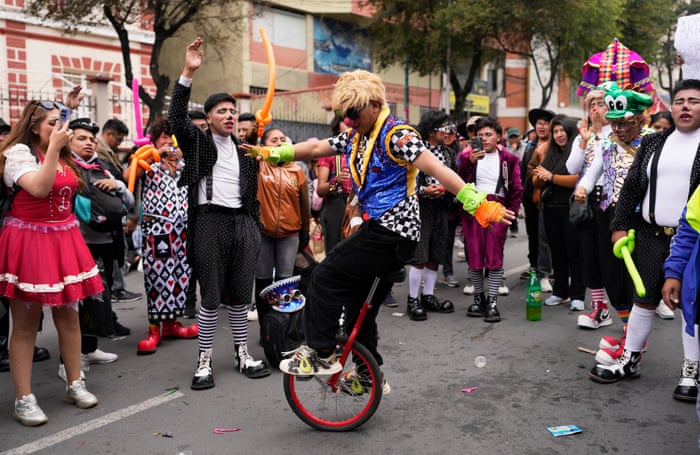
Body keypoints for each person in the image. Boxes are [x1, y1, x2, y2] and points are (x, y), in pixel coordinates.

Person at [246, 67, 514, 376]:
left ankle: (322, 353)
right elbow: (318, 147)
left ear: (375, 104)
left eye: (354, 113)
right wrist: (273, 153)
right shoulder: (358, 135)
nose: (350, 120)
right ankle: (366, 375)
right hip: (383, 231)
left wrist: (476, 202)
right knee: (359, 307)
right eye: (345, 114)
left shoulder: (397, 135)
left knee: (323, 276)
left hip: (392, 232)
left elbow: (437, 168)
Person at [169, 38, 270, 390]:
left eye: (232, 111)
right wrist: (188, 71)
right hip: (209, 222)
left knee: (241, 294)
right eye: (222, 111)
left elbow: (252, 196)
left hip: (242, 223)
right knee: (211, 296)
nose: (229, 116)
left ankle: (242, 353)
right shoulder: (198, 143)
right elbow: (176, 117)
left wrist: (254, 227)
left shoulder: (246, 152)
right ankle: (205, 360)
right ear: (209, 118)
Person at [589, 80, 700, 393]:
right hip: (651, 233)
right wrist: (619, 226)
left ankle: (692, 370)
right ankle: (630, 358)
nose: (686, 106)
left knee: (692, 303)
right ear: (671, 107)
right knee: (644, 298)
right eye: (680, 100)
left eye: (694, 101)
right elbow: (632, 188)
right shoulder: (654, 142)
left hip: (692, 239)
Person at [0, 93, 102, 426]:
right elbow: (39, 189)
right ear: (34, 127)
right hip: (29, 241)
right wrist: (56, 148)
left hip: (64, 238)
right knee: (26, 325)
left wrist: (66, 111)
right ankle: (23, 399)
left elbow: (57, 134)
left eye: (61, 123)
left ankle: (74, 383)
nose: (60, 129)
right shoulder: (18, 154)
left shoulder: (58, 151)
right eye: (52, 123)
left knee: (69, 318)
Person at [575, 83, 652, 347]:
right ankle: (629, 331)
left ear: (638, 120)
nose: (618, 128)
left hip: (642, 219)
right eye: (615, 123)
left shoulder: (652, 141)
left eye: (624, 123)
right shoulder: (608, 143)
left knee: (638, 276)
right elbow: (594, 169)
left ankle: (636, 336)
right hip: (611, 215)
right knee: (612, 273)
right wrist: (583, 188)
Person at [122, 117, 198, 355]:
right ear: (154, 140)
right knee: (158, 276)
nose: (169, 142)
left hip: (183, 228)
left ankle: (172, 324)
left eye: (172, 137)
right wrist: (154, 155)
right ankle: (154, 329)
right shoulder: (147, 161)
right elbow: (128, 175)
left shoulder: (185, 163)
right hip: (158, 229)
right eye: (163, 137)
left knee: (181, 274)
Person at [66, 117, 129, 379]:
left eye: (92, 139)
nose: (89, 143)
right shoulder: (65, 167)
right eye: (81, 138)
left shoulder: (101, 167)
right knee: (77, 302)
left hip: (105, 242)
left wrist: (119, 186)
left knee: (98, 298)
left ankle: (89, 348)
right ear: (68, 140)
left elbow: (128, 200)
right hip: (76, 243)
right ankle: (69, 361)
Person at [458, 116, 523, 322]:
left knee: (494, 257)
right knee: (474, 256)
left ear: (499, 137)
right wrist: (468, 162)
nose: (484, 139)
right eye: (480, 135)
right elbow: (457, 181)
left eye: (488, 134)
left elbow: (517, 189)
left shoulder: (509, 160)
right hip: (473, 208)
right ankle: (479, 299)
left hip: (497, 209)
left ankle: (492, 302)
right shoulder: (467, 156)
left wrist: (510, 213)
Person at [0, 116, 50, 373]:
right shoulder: (14, 157)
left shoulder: (13, 157)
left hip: (17, 234)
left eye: (3, 134)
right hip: (11, 234)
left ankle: (22, 343)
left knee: (25, 298)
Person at [253, 127, 310, 338]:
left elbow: (304, 206)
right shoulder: (258, 167)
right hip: (263, 234)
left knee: (286, 283)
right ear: (264, 145)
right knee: (263, 282)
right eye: (273, 140)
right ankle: (266, 332)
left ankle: (285, 331)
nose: (279, 143)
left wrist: (305, 233)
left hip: (290, 235)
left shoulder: (297, 171)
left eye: (282, 139)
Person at [567, 88, 614, 328]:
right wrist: (584, 140)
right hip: (586, 202)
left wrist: (597, 134)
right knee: (590, 256)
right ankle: (599, 308)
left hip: (611, 200)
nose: (596, 108)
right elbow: (572, 168)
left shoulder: (617, 132)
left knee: (611, 257)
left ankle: (628, 313)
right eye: (591, 104)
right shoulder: (582, 136)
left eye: (600, 103)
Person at [405, 110, 457, 321]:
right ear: (430, 131)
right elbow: (406, 182)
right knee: (420, 255)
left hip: (441, 207)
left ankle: (428, 296)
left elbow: (453, 176)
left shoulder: (448, 153)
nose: (447, 132)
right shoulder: (416, 152)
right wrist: (424, 190)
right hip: (420, 208)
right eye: (443, 127)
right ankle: (412, 300)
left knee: (436, 253)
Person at [532, 115, 584, 310]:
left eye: (562, 130)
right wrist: (540, 176)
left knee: (575, 253)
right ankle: (560, 292)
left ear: (570, 132)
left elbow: (578, 179)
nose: (559, 135)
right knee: (557, 253)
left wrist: (552, 177)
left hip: (571, 208)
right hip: (550, 208)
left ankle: (578, 294)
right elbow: (537, 181)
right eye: (555, 131)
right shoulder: (550, 153)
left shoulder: (577, 152)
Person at [520, 109, 554, 293]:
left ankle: (549, 269)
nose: (542, 127)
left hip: (549, 195)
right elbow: (523, 169)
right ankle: (534, 265)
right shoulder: (529, 146)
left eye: (546, 123)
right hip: (530, 194)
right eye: (539, 123)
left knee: (548, 235)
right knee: (533, 233)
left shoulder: (556, 145)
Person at [316, 118, 351, 254]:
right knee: (335, 251)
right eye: (346, 123)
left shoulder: (362, 151)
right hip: (337, 205)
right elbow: (320, 190)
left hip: (358, 205)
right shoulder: (329, 153)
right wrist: (336, 181)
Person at [506, 127, 525, 238]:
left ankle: (515, 225)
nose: (514, 140)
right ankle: (511, 226)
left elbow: (523, 160)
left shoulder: (525, 147)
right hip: (509, 179)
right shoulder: (505, 148)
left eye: (515, 137)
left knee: (517, 203)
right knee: (509, 204)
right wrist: (512, 150)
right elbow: (508, 160)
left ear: (519, 137)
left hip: (522, 177)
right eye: (511, 137)